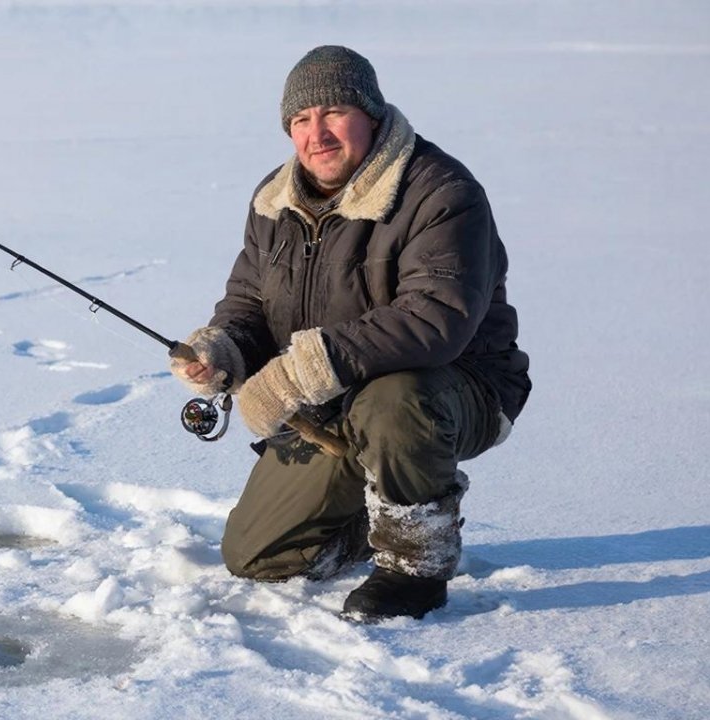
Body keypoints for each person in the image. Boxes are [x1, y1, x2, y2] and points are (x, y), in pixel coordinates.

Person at [171, 45, 530, 622]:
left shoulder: (441, 192)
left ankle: (415, 567)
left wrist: (298, 372)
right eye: (300, 120)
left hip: (461, 390)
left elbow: (435, 320)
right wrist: (223, 349)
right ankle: (386, 503)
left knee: (395, 400)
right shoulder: (274, 200)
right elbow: (249, 302)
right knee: (254, 555)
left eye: (334, 112)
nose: (318, 134)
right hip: (334, 399)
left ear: (372, 114)